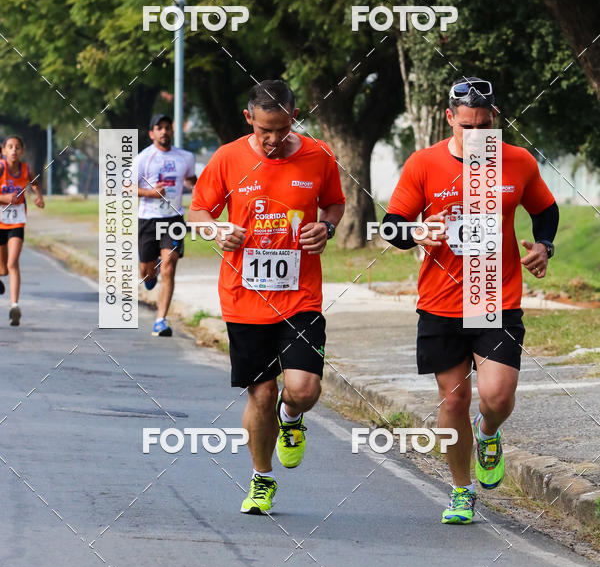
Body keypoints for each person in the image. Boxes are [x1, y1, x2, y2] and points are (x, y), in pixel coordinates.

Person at [383, 78, 558, 524]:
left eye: (484, 126)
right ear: (449, 119)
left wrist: (544, 245)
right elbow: (392, 226)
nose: (476, 134)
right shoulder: (423, 164)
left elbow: (545, 209)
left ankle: (490, 432)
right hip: (440, 303)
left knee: (497, 396)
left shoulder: (516, 162)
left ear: (494, 119)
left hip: (495, 298)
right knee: (453, 401)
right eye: (467, 126)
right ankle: (462, 490)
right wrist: (417, 232)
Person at [188, 79, 345, 515]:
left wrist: (326, 228)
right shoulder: (228, 158)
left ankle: (292, 417)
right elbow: (198, 211)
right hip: (244, 298)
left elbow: (334, 204)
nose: (273, 139)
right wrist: (217, 229)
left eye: (281, 128)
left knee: (304, 388)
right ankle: (262, 478)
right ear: (248, 119)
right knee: (260, 395)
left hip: (301, 296)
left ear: (294, 116)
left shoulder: (319, 155)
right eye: (263, 131)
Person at [137, 114, 196, 337]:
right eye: (158, 128)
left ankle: (160, 320)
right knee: (146, 272)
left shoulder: (185, 157)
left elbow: (191, 179)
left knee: (169, 266)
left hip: (173, 218)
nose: (163, 131)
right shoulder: (143, 159)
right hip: (148, 219)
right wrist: (150, 193)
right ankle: (150, 275)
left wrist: (196, 188)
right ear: (152, 133)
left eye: (167, 127)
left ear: (172, 131)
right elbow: (126, 187)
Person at [0, 135, 45, 325]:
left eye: (17, 147)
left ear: (22, 151)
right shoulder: (0, 168)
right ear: (3, 151)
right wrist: (4, 198)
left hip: (17, 221)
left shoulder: (26, 169)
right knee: (2, 269)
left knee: (13, 262)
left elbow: (34, 182)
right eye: (10, 147)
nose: (14, 150)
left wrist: (39, 197)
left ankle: (14, 306)